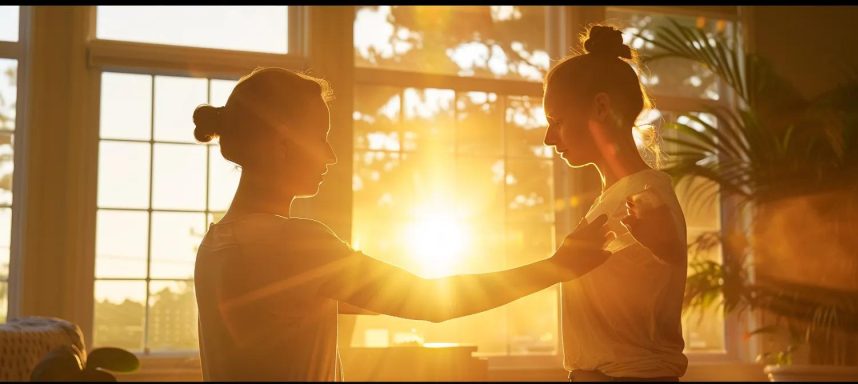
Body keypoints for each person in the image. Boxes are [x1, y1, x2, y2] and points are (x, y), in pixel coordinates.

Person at [191, 67, 614, 382]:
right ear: (283, 142)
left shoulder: (215, 245)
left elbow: (332, 302)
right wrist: (559, 266)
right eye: (321, 136)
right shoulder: (296, 243)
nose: (330, 156)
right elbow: (429, 302)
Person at [542, 25, 690, 382]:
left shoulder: (645, 195)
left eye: (556, 122)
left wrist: (667, 244)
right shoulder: (614, 197)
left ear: (601, 107)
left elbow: (668, 251)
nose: (549, 139)